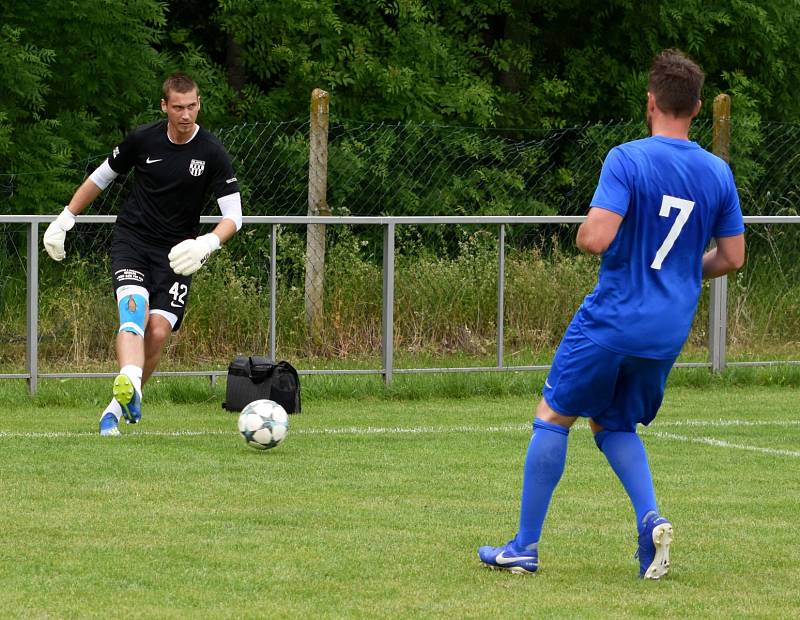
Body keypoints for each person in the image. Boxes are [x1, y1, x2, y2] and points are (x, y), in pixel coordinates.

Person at [478, 49, 745, 579]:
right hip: (667, 330)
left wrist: (585, 232)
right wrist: (685, 273)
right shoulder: (717, 171)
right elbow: (733, 257)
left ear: (650, 103)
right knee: (615, 421)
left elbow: (595, 237)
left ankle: (525, 547)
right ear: (695, 108)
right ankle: (651, 521)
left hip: (615, 317)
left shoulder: (627, 158)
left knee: (553, 415)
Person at [43, 72, 243, 436]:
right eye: (179, 107)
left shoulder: (212, 152)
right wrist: (66, 217)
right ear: (165, 106)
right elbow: (100, 178)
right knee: (133, 313)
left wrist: (205, 244)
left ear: (199, 104)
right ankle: (129, 384)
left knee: (158, 331)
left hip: (179, 254)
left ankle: (119, 404)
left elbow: (234, 217)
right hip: (132, 242)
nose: (186, 115)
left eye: (193, 106)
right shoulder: (143, 139)